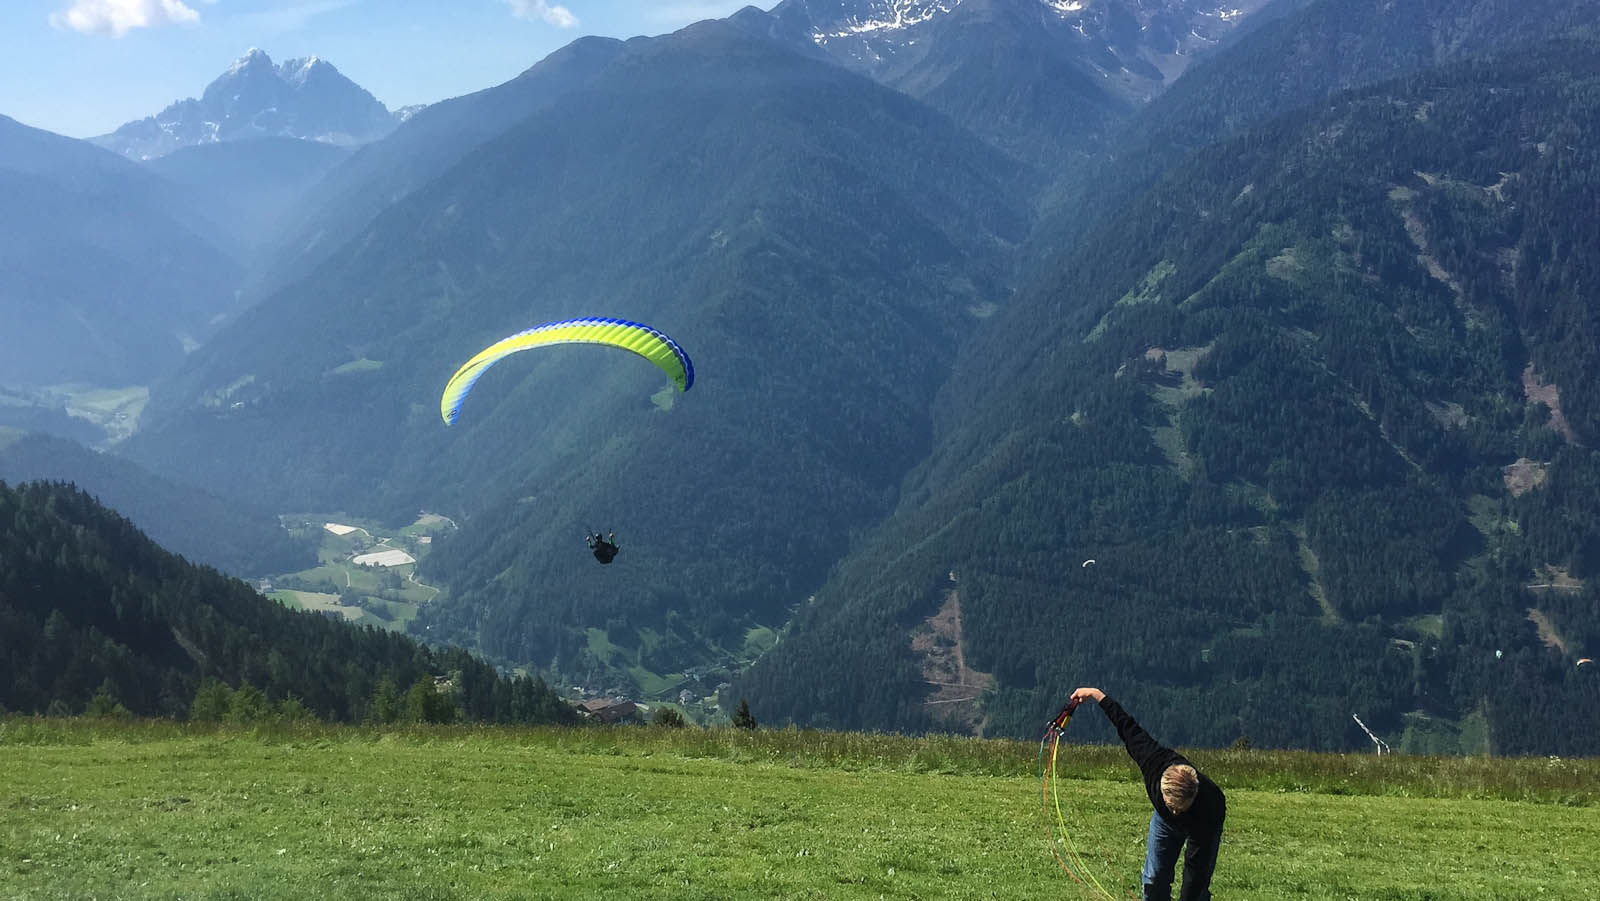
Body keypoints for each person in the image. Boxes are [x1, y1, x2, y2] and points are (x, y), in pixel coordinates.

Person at [1068, 687, 1225, 901]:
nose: (1176, 812)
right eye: (1172, 806)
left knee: (1196, 891)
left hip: (1201, 825)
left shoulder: (1209, 807)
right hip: (1163, 823)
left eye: (1180, 808)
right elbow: (1127, 726)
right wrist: (1096, 694)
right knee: (1154, 879)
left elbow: (1195, 873)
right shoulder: (1153, 762)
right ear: (1162, 788)